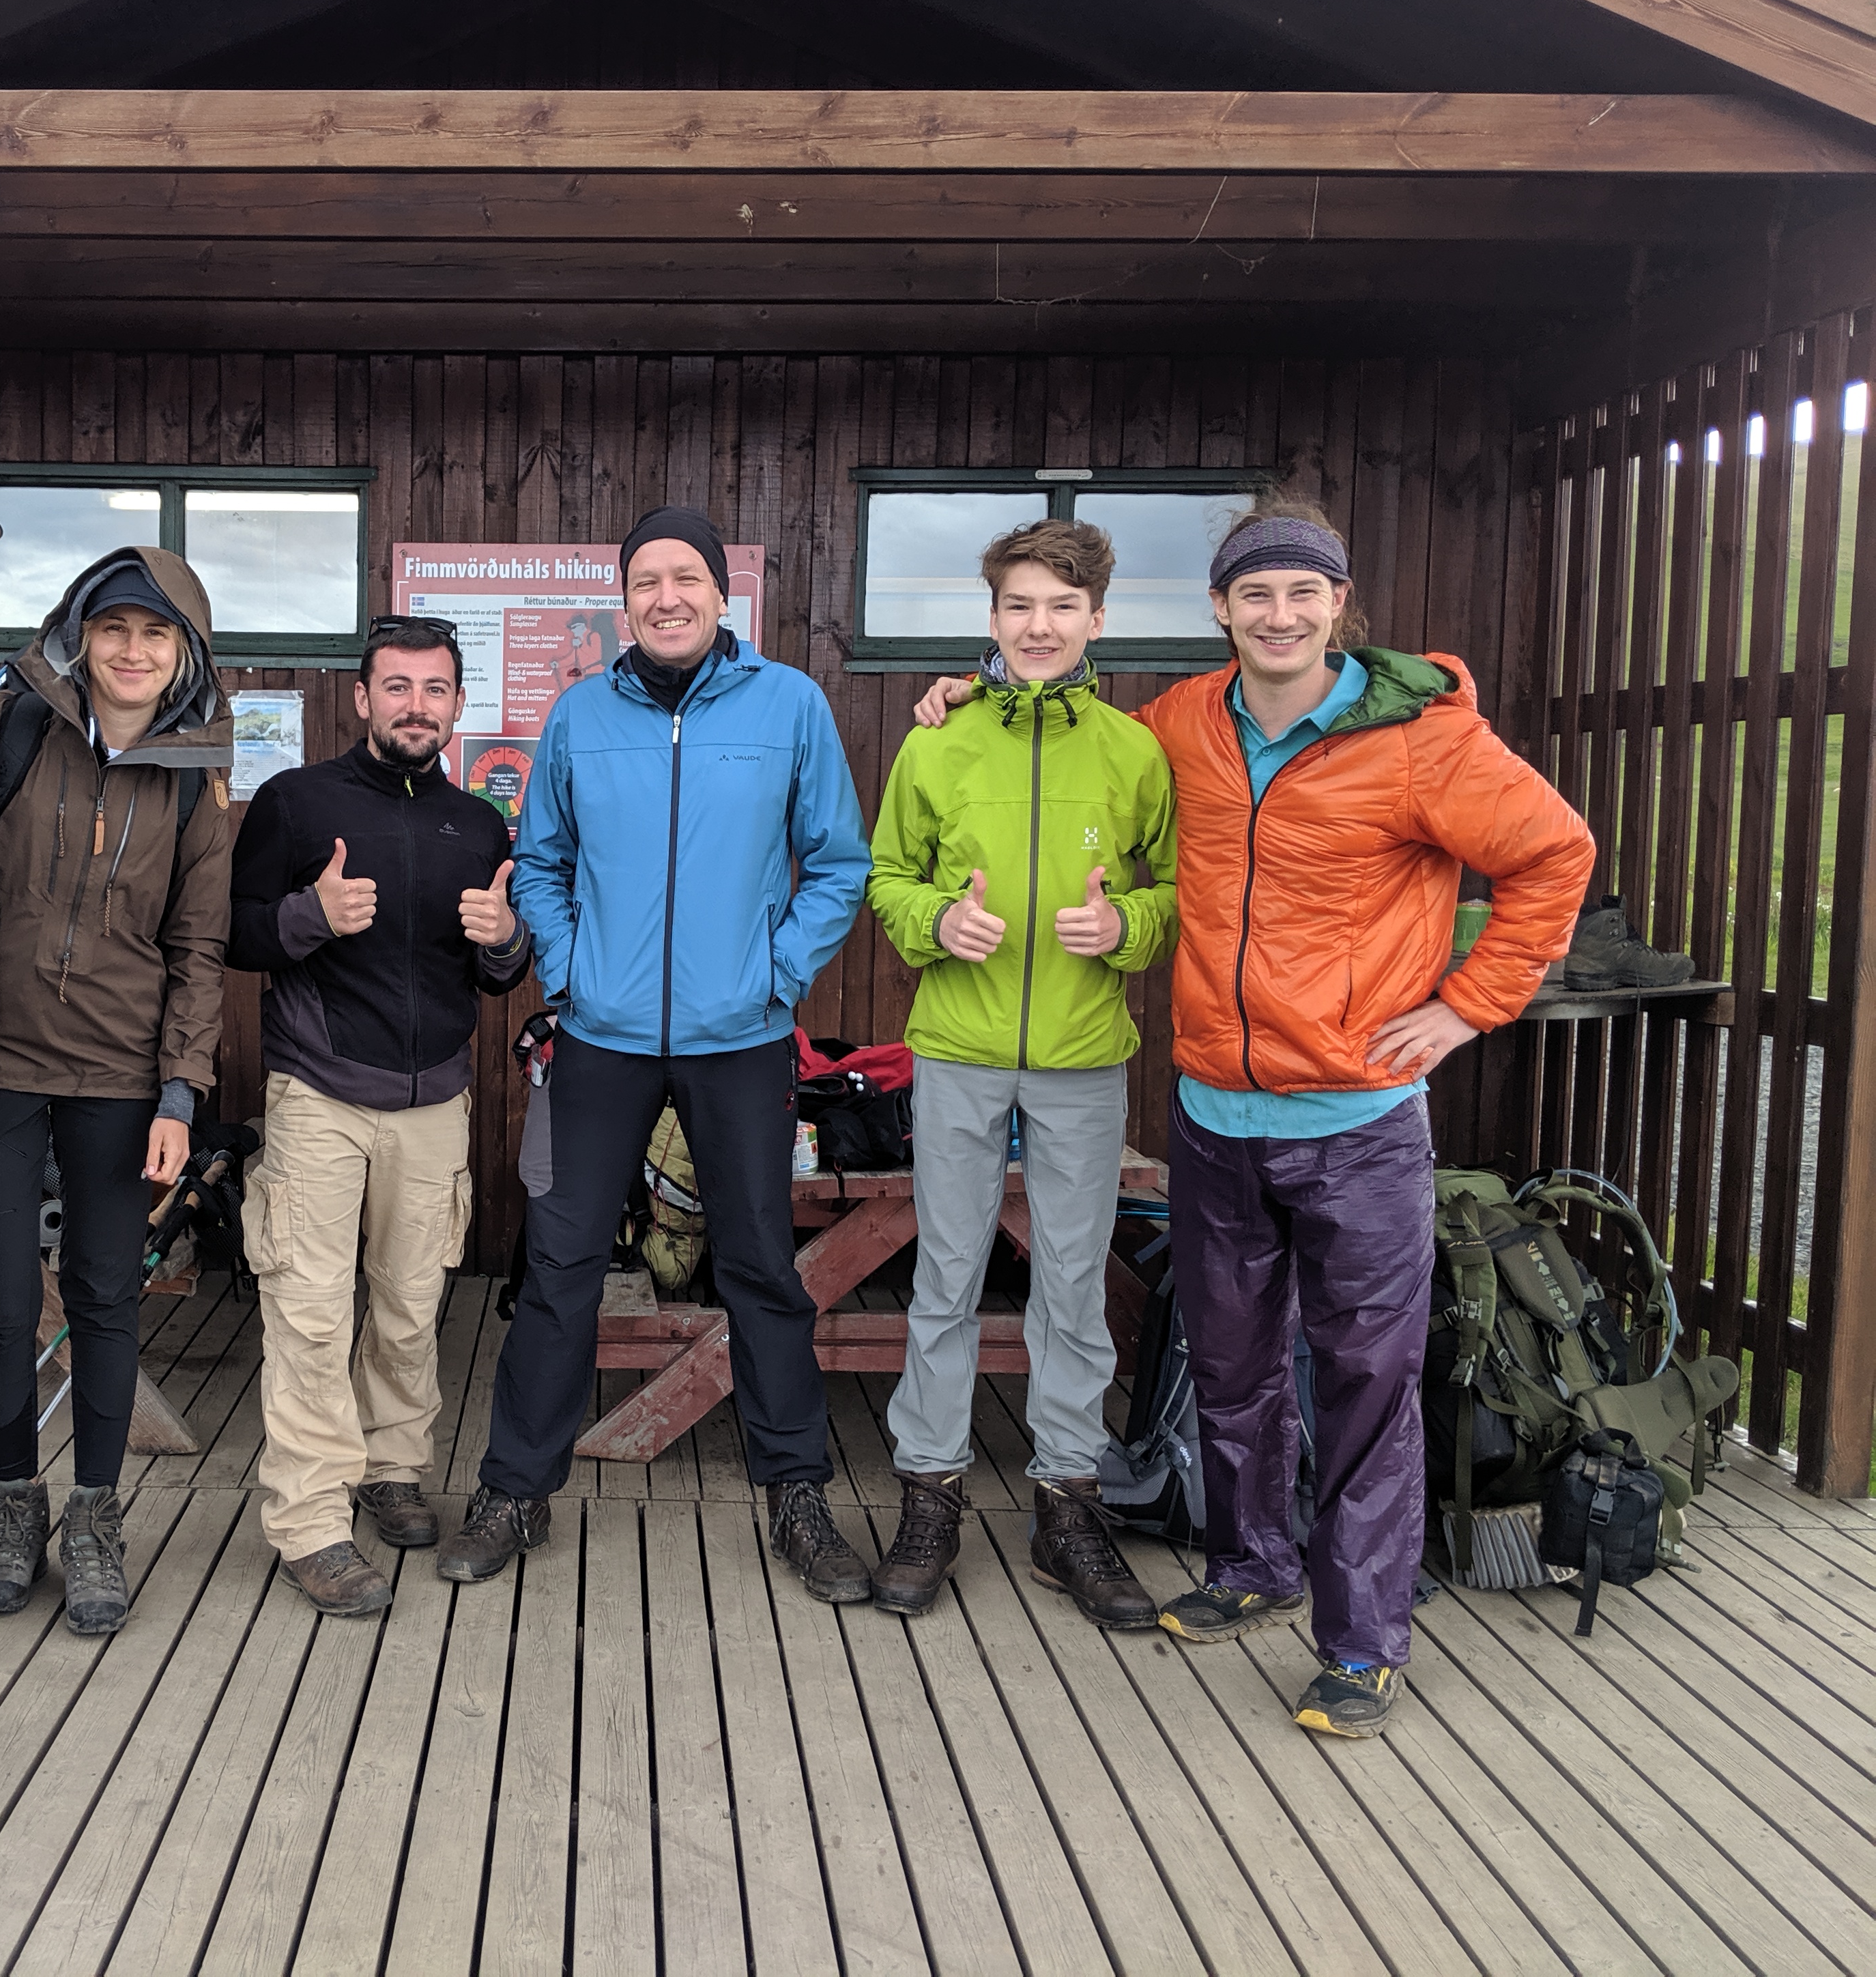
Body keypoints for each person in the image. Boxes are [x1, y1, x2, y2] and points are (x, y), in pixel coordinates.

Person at [909, 499, 1591, 1737]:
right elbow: (1057, 724)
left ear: (1340, 604)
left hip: (1360, 1118)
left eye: (1304, 593)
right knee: (1228, 1366)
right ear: (1219, 609)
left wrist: (1465, 1006)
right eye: (1254, 594)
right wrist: (962, 690)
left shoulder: (1423, 738)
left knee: (1362, 1383)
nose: (1279, 615)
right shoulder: (1182, 724)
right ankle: (1250, 1563)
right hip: (1217, 1111)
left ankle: (1362, 1638)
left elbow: (1554, 854)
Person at [443, 506, 874, 1600]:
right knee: (561, 1265)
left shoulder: (790, 705)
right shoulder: (582, 715)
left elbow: (837, 861)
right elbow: (539, 861)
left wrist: (776, 978)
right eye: (647, 581)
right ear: (622, 599)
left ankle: (798, 1492)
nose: (667, 597)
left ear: (721, 596)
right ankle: (514, 1489)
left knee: (764, 1271)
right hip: (602, 1036)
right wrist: (577, 973)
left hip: (741, 1039)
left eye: (687, 578)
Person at [0, 545, 234, 1638]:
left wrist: (183, 1093)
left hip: (121, 1080)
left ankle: (94, 1520)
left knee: (102, 1299)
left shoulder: (196, 776)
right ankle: (15, 1509)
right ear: (78, 634)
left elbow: (198, 950)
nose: (132, 651)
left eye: (156, 634)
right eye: (114, 629)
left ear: (182, 651)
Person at [864, 519, 1177, 1625]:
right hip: (956, 1049)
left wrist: (1127, 923)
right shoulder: (936, 744)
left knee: (1072, 1289)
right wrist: (933, 919)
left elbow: (1177, 886)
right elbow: (886, 875)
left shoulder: (1133, 750)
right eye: (1017, 605)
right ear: (990, 616)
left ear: (1097, 619)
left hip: (1084, 1060)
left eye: (1060, 607)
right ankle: (931, 1493)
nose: (1037, 626)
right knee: (945, 1277)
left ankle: (1066, 1506)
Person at [229, 614, 530, 1617]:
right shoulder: (295, 801)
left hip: (434, 1100)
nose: (415, 706)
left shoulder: (477, 825)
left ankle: (392, 1469)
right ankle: (312, 1519)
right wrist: (309, 916)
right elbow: (233, 934)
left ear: (456, 705)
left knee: (409, 1306)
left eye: (434, 689)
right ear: (361, 699)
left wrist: (505, 943)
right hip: (318, 1096)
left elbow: (492, 975)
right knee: (311, 1314)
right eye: (395, 687)